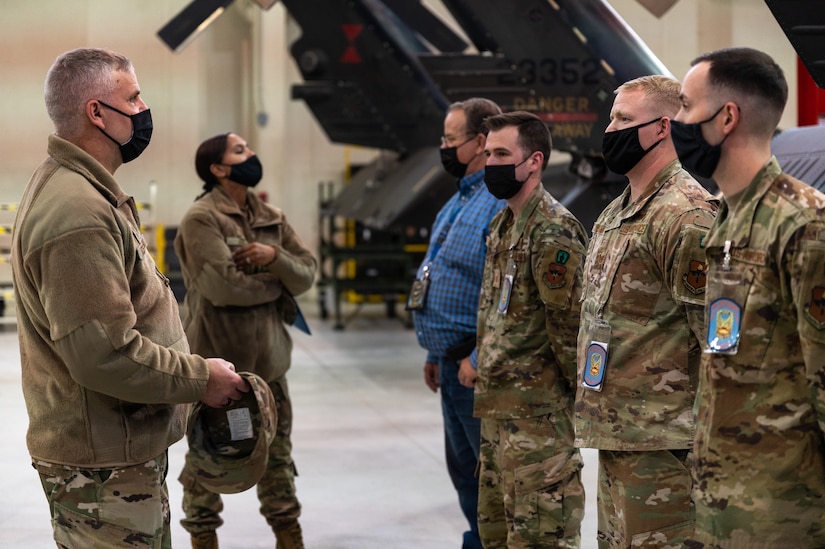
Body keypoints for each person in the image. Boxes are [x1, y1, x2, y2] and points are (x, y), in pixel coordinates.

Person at [11, 48, 248, 549]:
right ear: (97, 112)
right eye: (134, 97)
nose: (144, 109)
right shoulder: (76, 212)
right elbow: (105, 356)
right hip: (102, 470)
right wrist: (200, 379)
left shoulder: (86, 191)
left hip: (116, 451)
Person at [672, 47, 825, 548]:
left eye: (686, 107)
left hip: (784, 515)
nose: (677, 122)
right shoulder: (727, 219)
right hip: (723, 506)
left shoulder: (802, 224)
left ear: (727, 117)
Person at [573, 75, 717, 548]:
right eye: (611, 117)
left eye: (623, 119)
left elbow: (717, 343)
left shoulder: (686, 215)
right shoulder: (617, 211)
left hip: (667, 444)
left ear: (662, 127)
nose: (609, 129)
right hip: (620, 434)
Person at [174, 132, 317, 549]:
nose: (251, 155)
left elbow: (306, 274)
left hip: (271, 368)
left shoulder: (270, 215)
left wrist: (275, 259)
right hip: (219, 376)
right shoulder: (202, 219)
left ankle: (289, 537)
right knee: (207, 461)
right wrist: (277, 286)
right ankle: (203, 539)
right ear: (218, 168)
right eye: (240, 151)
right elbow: (223, 288)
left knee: (278, 462)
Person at [474, 111, 587, 548]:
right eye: (487, 154)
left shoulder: (553, 230)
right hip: (498, 413)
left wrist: (569, 404)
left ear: (534, 161)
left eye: (502, 153)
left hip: (538, 418)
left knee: (542, 537)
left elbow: (569, 328)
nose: (491, 163)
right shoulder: (502, 226)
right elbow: (494, 314)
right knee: (497, 535)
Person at [409, 97, 505, 549]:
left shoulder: (497, 205)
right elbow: (440, 276)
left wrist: (478, 355)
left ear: (480, 142)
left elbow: (509, 297)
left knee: (491, 478)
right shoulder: (456, 203)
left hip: (475, 366)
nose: (443, 147)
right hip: (449, 366)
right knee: (465, 475)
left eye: (450, 139)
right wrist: (434, 351)